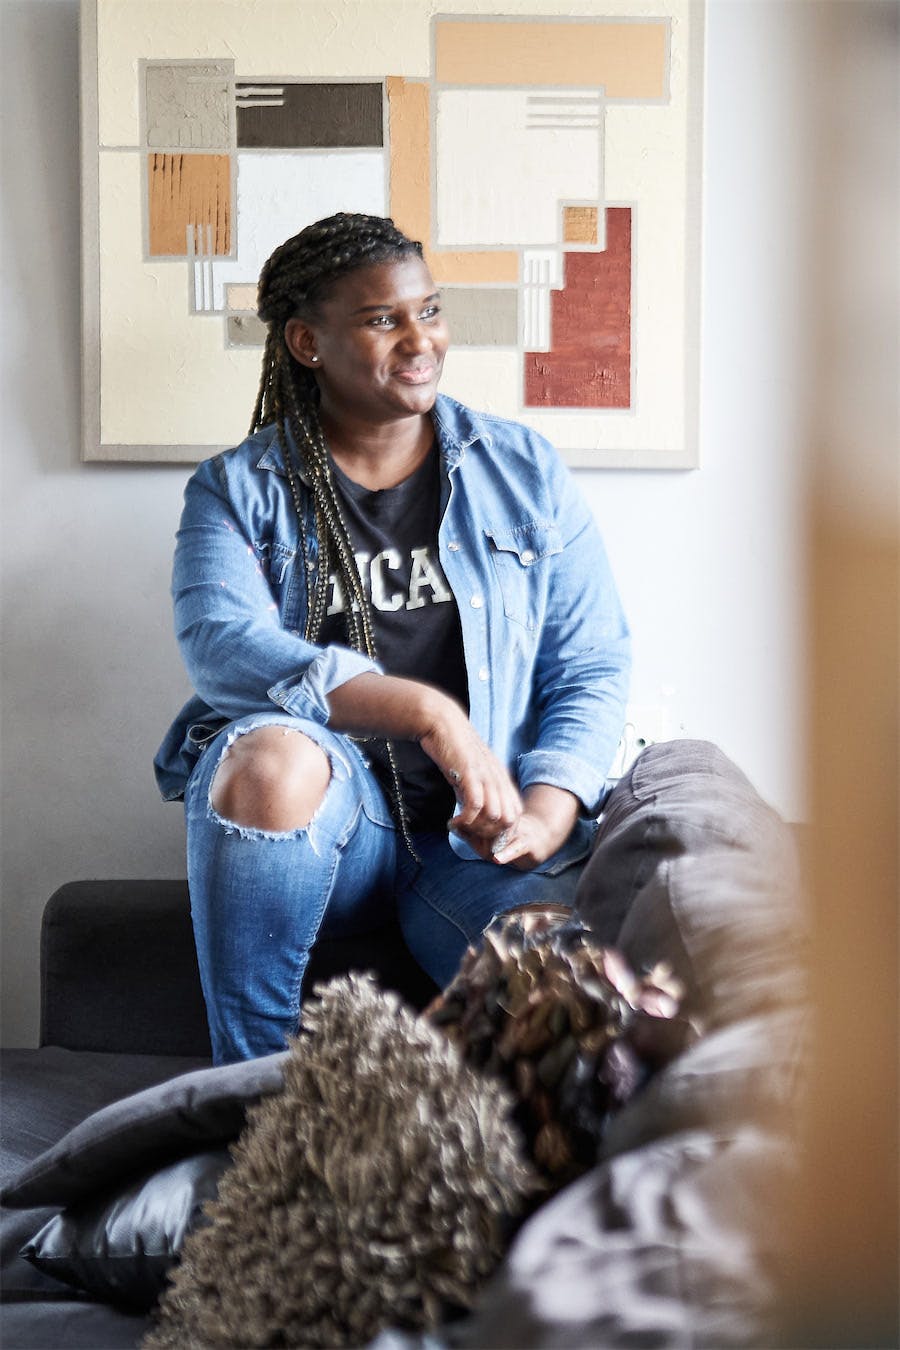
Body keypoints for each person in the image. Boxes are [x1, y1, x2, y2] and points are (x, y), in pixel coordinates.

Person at [154, 212, 630, 1065]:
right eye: (383, 320)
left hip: (474, 839)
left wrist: (551, 809)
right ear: (308, 342)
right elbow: (223, 644)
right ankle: (252, 1103)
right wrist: (425, 713)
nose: (422, 340)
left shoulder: (521, 469)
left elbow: (590, 661)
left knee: (579, 1005)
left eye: (430, 310)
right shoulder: (236, 491)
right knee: (269, 757)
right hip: (332, 835)